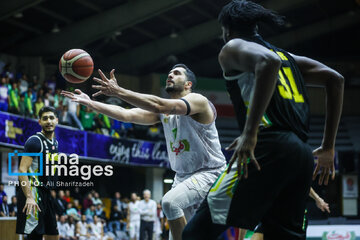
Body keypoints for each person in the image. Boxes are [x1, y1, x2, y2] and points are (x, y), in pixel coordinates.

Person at [182, 1, 344, 240]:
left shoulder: (233, 47)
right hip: (301, 153)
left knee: (195, 233)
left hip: (267, 147)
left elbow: (268, 63)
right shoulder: (286, 56)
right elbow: (335, 79)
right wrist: (328, 146)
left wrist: (250, 132)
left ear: (226, 28)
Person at [61, 63, 227, 240]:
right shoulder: (165, 113)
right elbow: (127, 115)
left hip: (209, 173)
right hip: (182, 177)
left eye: (177, 73)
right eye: (169, 72)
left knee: (170, 203)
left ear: (188, 84)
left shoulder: (198, 100)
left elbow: (157, 104)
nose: (170, 75)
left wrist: (118, 91)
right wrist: (92, 104)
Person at [16, 106, 60, 240]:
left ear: (57, 120)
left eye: (51, 118)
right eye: (45, 118)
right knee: (35, 236)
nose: (49, 121)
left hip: (46, 193)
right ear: (39, 122)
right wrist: (29, 197)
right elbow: (22, 170)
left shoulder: (55, 143)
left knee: (53, 235)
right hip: (34, 193)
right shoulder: (35, 141)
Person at [251, 187, 330, 240]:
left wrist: (317, 199)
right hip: (275, 212)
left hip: (295, 214)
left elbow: (304, 183)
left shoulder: (297, 167)